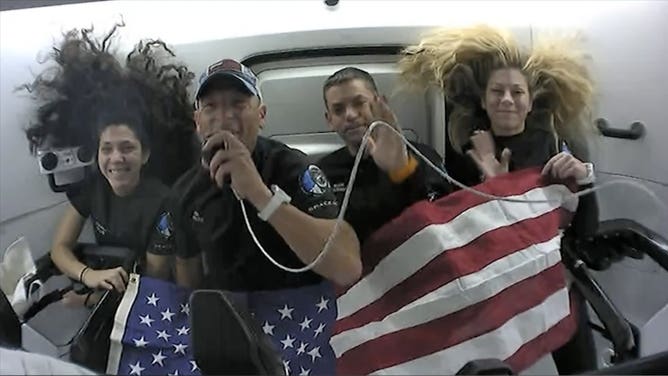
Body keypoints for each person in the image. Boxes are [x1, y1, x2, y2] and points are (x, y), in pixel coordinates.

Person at [398, 25, 599, 374]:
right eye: (498, 91)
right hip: (496, 293)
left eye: (516, 92)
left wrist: (586, 181)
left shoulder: (556, 147)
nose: (507, 99)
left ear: (530, 101)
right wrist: (492, 187)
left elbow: (587, 235)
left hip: (555, 281)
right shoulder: (466, 153)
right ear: (484, 99)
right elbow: (465, 240)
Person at [160, 59, 362, 374]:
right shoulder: (184, 194)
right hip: (233, 332)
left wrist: (260, 196)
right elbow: (190, 283)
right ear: (197, 121)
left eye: (238, 104)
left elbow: (347, 266)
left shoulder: (294, 169)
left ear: (262, 115)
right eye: (211, 106)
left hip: (297, 326)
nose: (224, 118)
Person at [22, 24, 198, 297]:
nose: (116, 158)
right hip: (109, 293)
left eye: (127, 147)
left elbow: (154, 278)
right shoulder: (94, 188)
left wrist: (88, 301)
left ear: (145, 154)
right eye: (107, 149)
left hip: (148, 302)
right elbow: (60, 248)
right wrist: (88, 275)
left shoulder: (164, 202)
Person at [318, 67, 451, 245]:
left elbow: (443, 216)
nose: (349, 115)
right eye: (339, 109)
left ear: (380, 104)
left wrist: (402, 171)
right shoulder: (322, 173)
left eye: (359, 103)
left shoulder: (422, 156)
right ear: (329, 120)